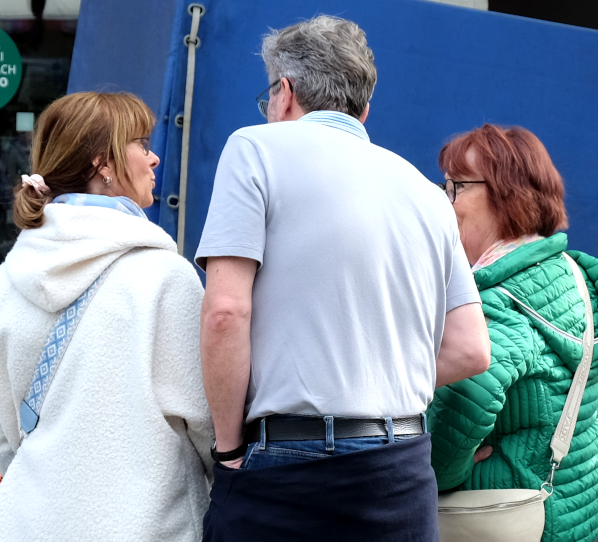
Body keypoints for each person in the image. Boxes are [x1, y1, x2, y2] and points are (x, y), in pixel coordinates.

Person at [195, 15, 491, 540]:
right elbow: (470, 349)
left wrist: (228, 450)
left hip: (288, 465)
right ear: (365, 107)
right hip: (402, 469)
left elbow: (226, 311)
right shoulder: (426, 193)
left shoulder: (255, 149)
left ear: (283, 92)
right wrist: (375, 384)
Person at [0, 92, 214, 541]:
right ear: (105, 163)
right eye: (141, 143)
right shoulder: (164, 279)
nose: (154, 158)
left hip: (28, 526)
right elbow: (205, 423)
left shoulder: (4, 281)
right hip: (148, 526)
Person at [427, 124, 598, 542]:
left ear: (506, 194)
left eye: (456, 187)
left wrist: (457, 471)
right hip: (573, 509)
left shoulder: (499, 301)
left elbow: (443, 446)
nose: (443, 201)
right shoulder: (572, 274)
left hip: (510, 515)